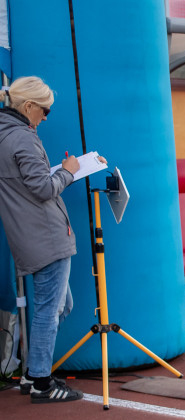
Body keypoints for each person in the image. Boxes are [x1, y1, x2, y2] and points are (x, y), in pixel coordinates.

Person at [0, 77, 89, 403]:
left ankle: (29, 368)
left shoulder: (6, 134)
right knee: (51, 311)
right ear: (27, 107)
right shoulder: (23, 138)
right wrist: (68, 170)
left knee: (60, 306)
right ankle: (40, 381)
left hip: (28, 236)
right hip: (46, 237)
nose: (46, 116)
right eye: (45, 109)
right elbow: (43, 189)